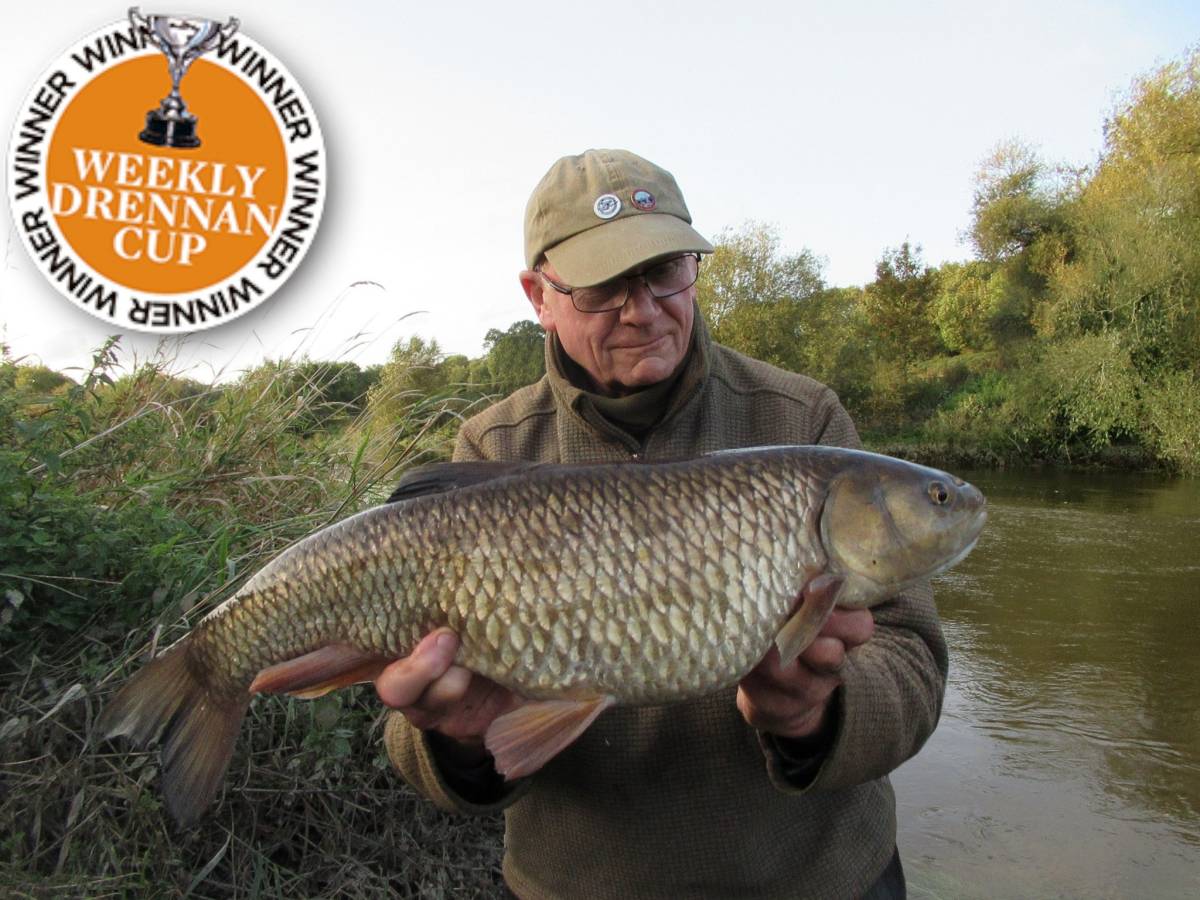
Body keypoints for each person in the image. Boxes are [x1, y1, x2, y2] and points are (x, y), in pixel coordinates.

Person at [374, 149, 945, 899]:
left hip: (819, 880)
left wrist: (817, 716)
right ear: (537, 295)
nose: (642, 310)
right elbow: (415, 734)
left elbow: (913, 659)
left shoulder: (801, 421)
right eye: (604, 286)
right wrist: (459, 743)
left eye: (663, 271)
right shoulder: (496, 449)